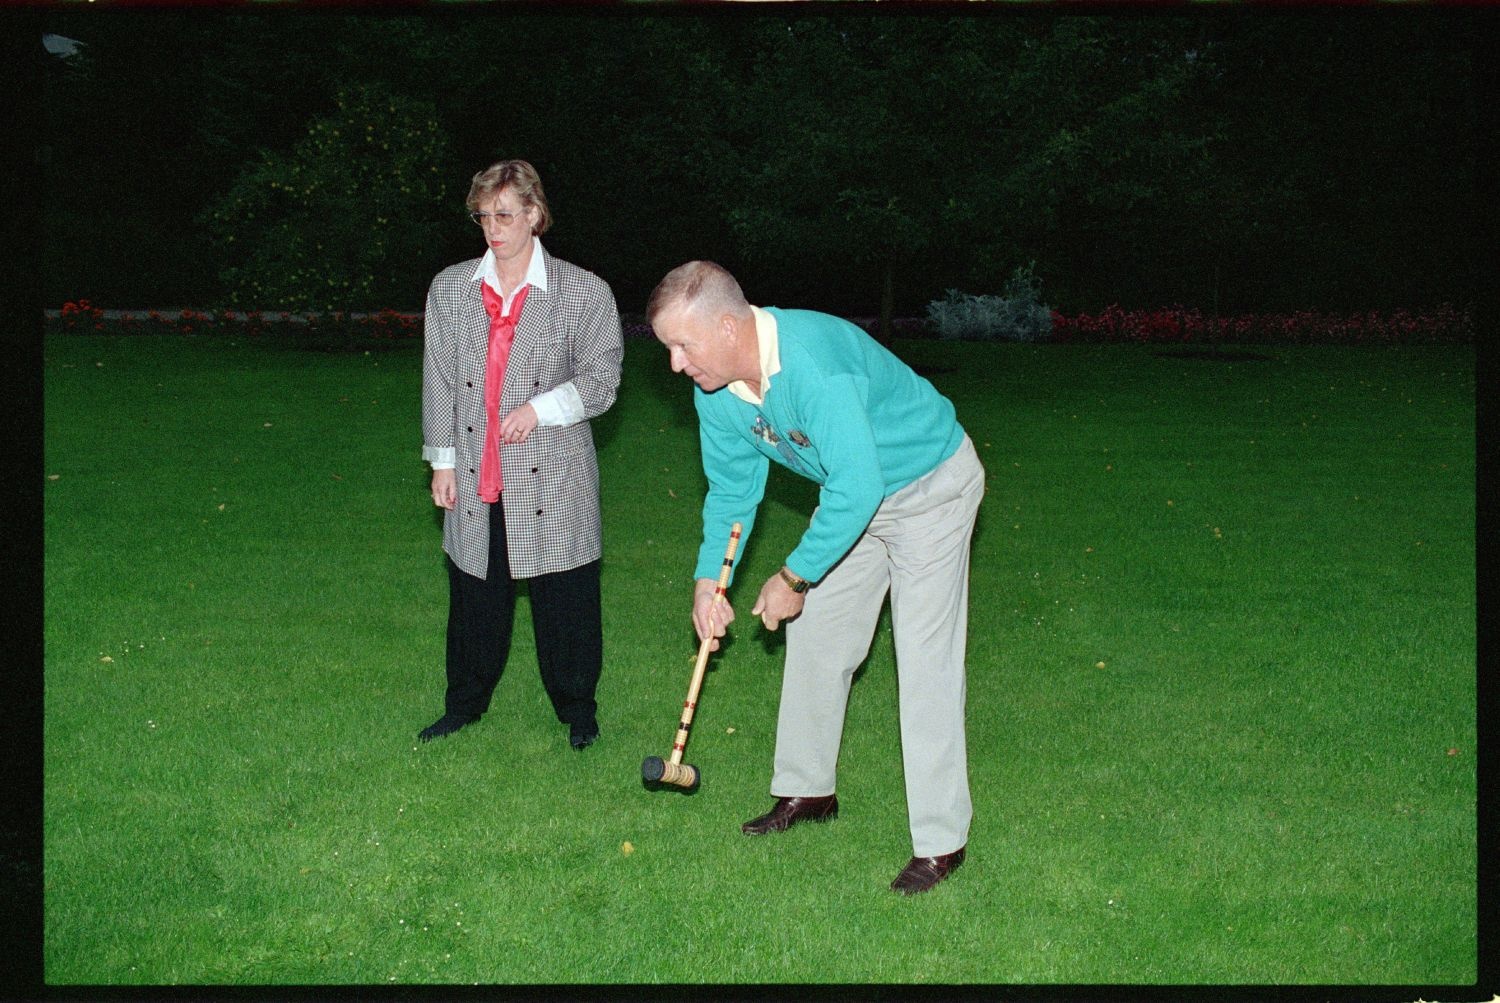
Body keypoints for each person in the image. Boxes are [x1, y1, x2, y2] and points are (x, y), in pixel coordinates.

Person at [647, 261, 986, 895]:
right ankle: (809, 792)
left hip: (929, 487)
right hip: (852, 497)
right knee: (818, 638)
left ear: (727, 326)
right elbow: (730, 490)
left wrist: (793, 577)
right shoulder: (715, 390)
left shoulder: (814, 366)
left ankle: (943, 842)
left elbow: (860, 485)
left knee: (924, 661)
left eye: (682, 345)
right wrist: (706, 583)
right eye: (668, 346)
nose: (675, 363)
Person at [419, 159, 623, 749]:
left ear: (535, 215)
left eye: (504, 214)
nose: (492, 227)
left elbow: (603, 380)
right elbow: (437, 377)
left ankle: (578, 710)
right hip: (476, 470)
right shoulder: (451, 288)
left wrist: (541, 409)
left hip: (555, 474)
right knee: (476, 595)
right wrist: (442, 460)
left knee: (566, 601)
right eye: (483, 215)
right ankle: (464, 705)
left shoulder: (582, 291)